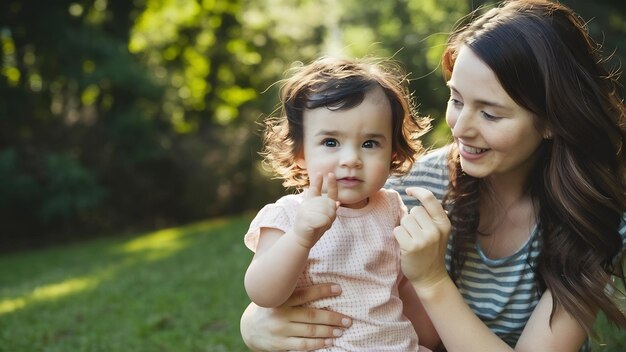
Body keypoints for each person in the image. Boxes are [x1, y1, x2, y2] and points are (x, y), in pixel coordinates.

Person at [239, 0, 626, 351]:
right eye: (456, 100)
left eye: (490, 113)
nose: (461, 127)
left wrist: (432, 282)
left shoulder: (593, 222)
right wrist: (254, 323)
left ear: (551, 121)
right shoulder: (407, 187)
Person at [243, 56, 433, 351]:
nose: (351, 159)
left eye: (370, 143)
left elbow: (403, 284)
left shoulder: (392, 207)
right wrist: (300, 237)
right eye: (331, 142)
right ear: (300, 153)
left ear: (393, 153)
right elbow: (263, 293)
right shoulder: (288, 215)